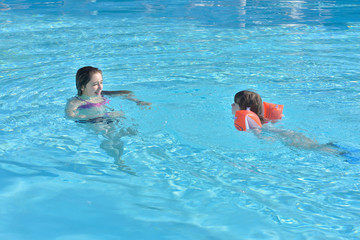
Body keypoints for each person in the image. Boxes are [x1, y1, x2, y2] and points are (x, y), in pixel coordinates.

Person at [232, 90, 343, 153]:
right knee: (315, 146)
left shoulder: (252, 122)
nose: (232, 105)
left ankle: (339, 153)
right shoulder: (263, 119)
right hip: (289, 133)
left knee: (315, 149)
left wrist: (265, 139)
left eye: (235, 104)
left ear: (244, 108)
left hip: (286, 137)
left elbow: (259, 134)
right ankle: (336, 149)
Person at [65, 66, 151, 121]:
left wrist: (138, 101)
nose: (100, 87)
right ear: (82, 87)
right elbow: (70, 116)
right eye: (95, 84)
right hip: (93, 123)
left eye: (101, 82)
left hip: (109, 118)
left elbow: (124, 94)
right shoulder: (76, 102)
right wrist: (104, 115)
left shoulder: (103, 94)